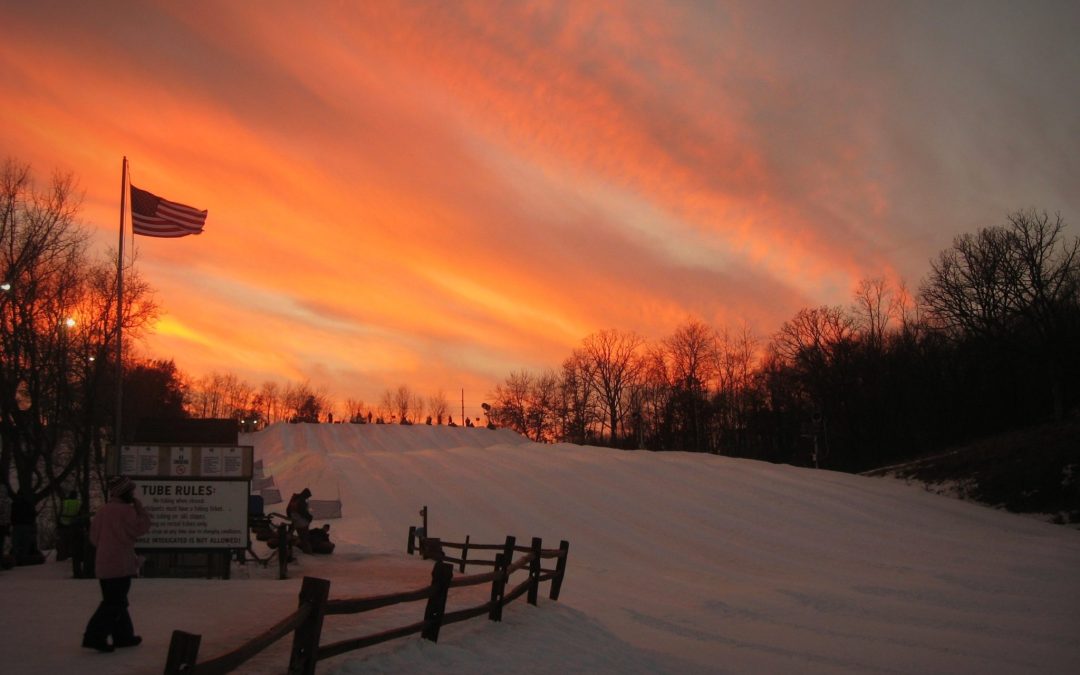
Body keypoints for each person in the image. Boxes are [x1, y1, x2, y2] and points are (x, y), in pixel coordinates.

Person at [83, 475, 151, 653]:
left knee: (117, 601)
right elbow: (141, 528)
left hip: (103, 564)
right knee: (114, 603)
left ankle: (124, 636)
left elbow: (93, 538)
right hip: (120, 564)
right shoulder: (126, 511)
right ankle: (95, 636)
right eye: (131, 491)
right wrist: (140, 510)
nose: (133, 494)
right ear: (125, 493)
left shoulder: (103, 511)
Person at [286, 488, 314, 554]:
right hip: (301, 523)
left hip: (295, 520)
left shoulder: (294, 498)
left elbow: (288, 509)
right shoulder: (301, 501)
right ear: (305, 495)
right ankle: (308, 554)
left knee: (290, 535)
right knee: (305, 539)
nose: (307, 498)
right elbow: (303, 512)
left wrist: (291, 518)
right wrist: (310, 517)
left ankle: (287, 548)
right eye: (308, 496)